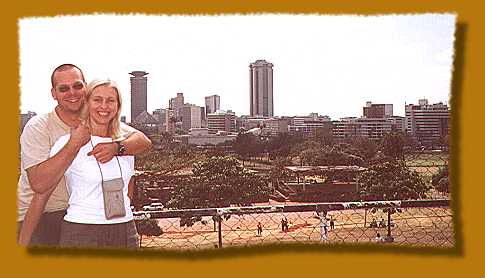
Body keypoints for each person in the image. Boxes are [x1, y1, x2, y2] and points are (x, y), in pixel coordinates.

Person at [17, 64, 152, 246]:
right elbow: (40, 186)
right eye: (63, 88)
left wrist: (118, 147)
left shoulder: (114, 133)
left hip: (113, 223)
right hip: (43, 216)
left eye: (77, 86)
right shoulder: (41, 128)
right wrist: (74, 144)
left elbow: (143, 142)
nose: (72, 93)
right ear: (54, 93)